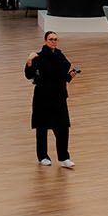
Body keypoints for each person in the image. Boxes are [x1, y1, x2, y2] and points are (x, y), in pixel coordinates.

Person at [25, 31, 78, 167]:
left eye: (55, 39)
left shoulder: (60, 55)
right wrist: (29, 61)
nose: (53, 41)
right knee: (42, 127)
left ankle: (64, 158)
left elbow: (62, 76)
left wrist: (70, 76)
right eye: (51, 39)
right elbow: (29, 75)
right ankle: (42, 156)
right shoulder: (39, 57)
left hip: (59, 97)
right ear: (45, 40)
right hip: (43, 97)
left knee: (63, 127)